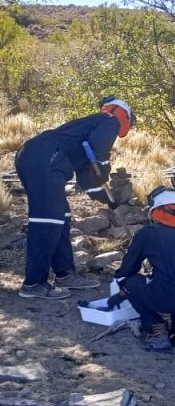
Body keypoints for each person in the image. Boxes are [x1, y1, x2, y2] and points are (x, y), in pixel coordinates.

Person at [15, 96, 135, 300]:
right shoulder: (109, 120)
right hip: (45, 160)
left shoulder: (87, 130)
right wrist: (104, 169)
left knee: (61, 216)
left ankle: (64, 274)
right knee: (47, 220)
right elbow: (99, 154)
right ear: (125, 115)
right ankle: (33, 283)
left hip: (41, 158)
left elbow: (86, 176)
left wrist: (105, 197)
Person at [110, 187, 175, 357]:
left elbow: (128, 269)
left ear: (155, 212)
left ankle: (156, 329)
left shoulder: (149, 233)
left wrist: (119, 286)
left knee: (130, 282)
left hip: (169, 295)